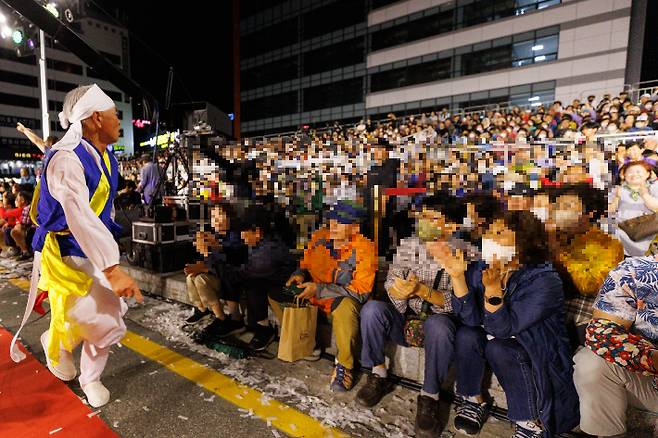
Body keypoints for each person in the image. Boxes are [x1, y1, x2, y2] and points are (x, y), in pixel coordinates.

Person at [10, 84, 143, 409]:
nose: (120, 122)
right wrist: (111, 268)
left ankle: (89, 376)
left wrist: (108, 252)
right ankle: (58, 347)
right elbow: (78, 213)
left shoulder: (107, 158)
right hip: (62, 253)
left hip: (91, 249)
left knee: (107, 318)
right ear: (96, 118)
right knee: (87, 314)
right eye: (115, 115)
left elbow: (101, 212)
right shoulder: (66, 159)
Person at [433, 210, 580, 438]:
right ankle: (474, 399)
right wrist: (458, 277)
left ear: (523, 240)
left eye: (500, 233)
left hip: (537, 349)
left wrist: (492, 291)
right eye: (489, 232)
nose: (490, 239)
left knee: (499, 347)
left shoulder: (544, 280)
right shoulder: (484, 267)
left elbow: (504, 329)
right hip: (499, 336)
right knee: (467, 335)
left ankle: (529, 422)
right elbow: (469, 319)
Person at [357, 193, 479, 437]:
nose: (424, 223)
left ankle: (429, 396)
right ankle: (378, 373)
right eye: (422, 217)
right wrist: (399, 291)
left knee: (439, 325)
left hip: (439, 327)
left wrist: (421, 291)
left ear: (452, 225)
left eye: (432, 218)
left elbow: (459, 305)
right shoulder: (410, 245)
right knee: (372, 310)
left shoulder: (467, 254)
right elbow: (392, 280)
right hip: (405, 318)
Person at [269, 200, 376, 391]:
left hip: (336, 301)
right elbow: (305, 265)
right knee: (277, 293)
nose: (333, 226)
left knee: (347, 308)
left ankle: (345, 365)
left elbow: (361, 290)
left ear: (355, 228)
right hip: (314, 297)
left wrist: (319, 289)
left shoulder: (364, 248)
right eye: (331, 220)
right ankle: (309, 343)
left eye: (340, 222)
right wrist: (299, 276)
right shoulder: (319, 237)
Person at [573, 257, 658, 437]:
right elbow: (601, 334)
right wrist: (652, 358)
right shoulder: (636, 270)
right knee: (591, 362)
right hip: (648, 379)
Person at [546, 184, 624, 348]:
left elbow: (590, 285)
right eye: (556, 205)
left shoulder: (608, 245)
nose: (557, 210)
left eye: (566, 206)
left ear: (590, 213)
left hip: (578, 311)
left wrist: (558, 254)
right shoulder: (547, 235)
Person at [609, 161, 658, 256]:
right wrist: (616, 198)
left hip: (648, 231)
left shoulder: (653, 188)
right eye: (630, 172)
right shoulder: (618, 189)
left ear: (647, 174)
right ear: (624, 175)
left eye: (638, 172)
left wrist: (644, 194)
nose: (634, 174)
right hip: (623, 231)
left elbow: (656, 208)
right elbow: (609, 210)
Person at [9, 191, 35, 261]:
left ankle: (25, 251)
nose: (15, 201)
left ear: (23, 200)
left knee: (14, 232)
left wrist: (18, 226)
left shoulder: (26, 208)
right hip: (34, 229)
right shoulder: (32, 205)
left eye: (17, 199)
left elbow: (25, 224)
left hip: (32, 230)